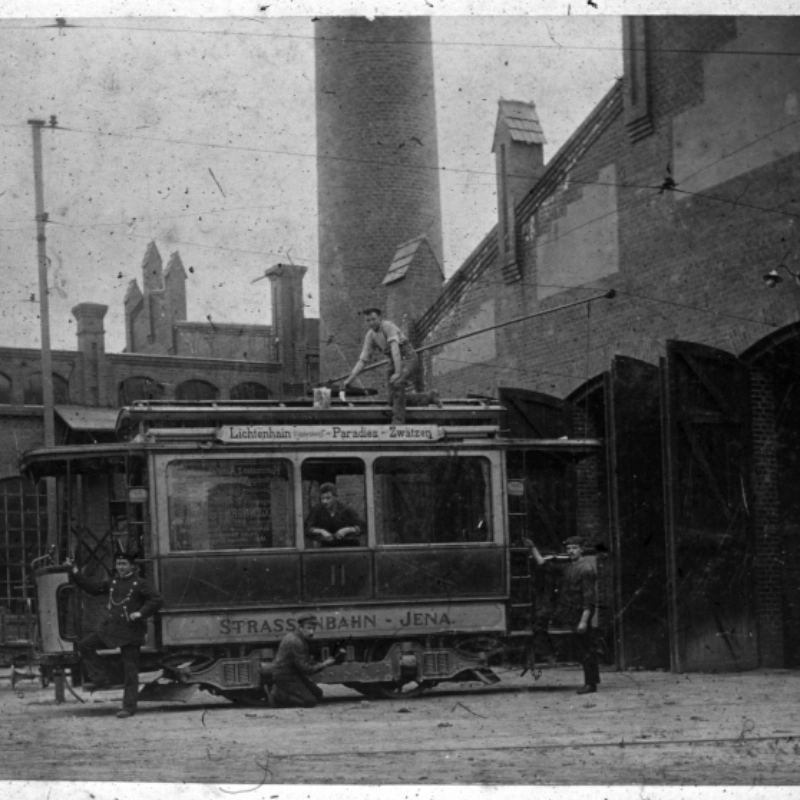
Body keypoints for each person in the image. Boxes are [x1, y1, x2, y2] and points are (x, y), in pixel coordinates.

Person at [68, 551, 163, 718]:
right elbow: (92, 588)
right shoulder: (112, 582)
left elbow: (157, 600)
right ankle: (101, 677)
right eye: (118, 564)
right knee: (85, 645)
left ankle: (128, 707)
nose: (120, 567)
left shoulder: (140, 583)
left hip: (131, 630)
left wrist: (141, 613)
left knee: (130, 671)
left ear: (132, 566)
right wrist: (75, 572)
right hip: (111, 629)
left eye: (124, 564)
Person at [524, 535, 600, 695]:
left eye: (574, 548)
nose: (571, 551)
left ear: (582, 550)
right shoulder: (567, 567)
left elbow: (589, 599)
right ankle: (549, 653)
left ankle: (591, 684)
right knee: (541, 620)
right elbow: (542, 563)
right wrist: (532, 547)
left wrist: (584, 621)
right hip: (566, 611)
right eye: (568, 549)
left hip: (579, 614)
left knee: (586, 649)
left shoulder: (586, 569)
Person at [343, 307, 422, 425]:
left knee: (398, 383)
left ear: (380, 318)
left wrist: (397, 373)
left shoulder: (388, 326)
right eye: (368, 320)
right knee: (391, 399)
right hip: (393, 360)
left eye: (373, 319)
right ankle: (427, 397)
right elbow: (362, 360)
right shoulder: (370, 336)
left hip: (407, 357)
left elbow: (395, 349)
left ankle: (398, 422)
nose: (371, 323)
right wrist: (350, 379)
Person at [268, 613, 340, 708]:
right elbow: (306, 669)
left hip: (292, 674)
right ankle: (278, 696)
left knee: (318, 694)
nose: (311, 632)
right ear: (300, 628)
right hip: (285, 677)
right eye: (308, 628)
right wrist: (324, 664)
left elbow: (303, 663)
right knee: (310, 701)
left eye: (313, 628)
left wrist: (321, 663)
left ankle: (282, 692)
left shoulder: (298, 638)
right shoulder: (296, 641)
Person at [305, 483, 366, 547]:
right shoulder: (317, 510)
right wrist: (321, 531)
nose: (324, 501)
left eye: (328, 498)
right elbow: (307, 527)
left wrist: (346, 530)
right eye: (322, 498)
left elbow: (363, 526)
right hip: (326, 548)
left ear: (335, 497)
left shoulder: (346, 509)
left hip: (348, 547)